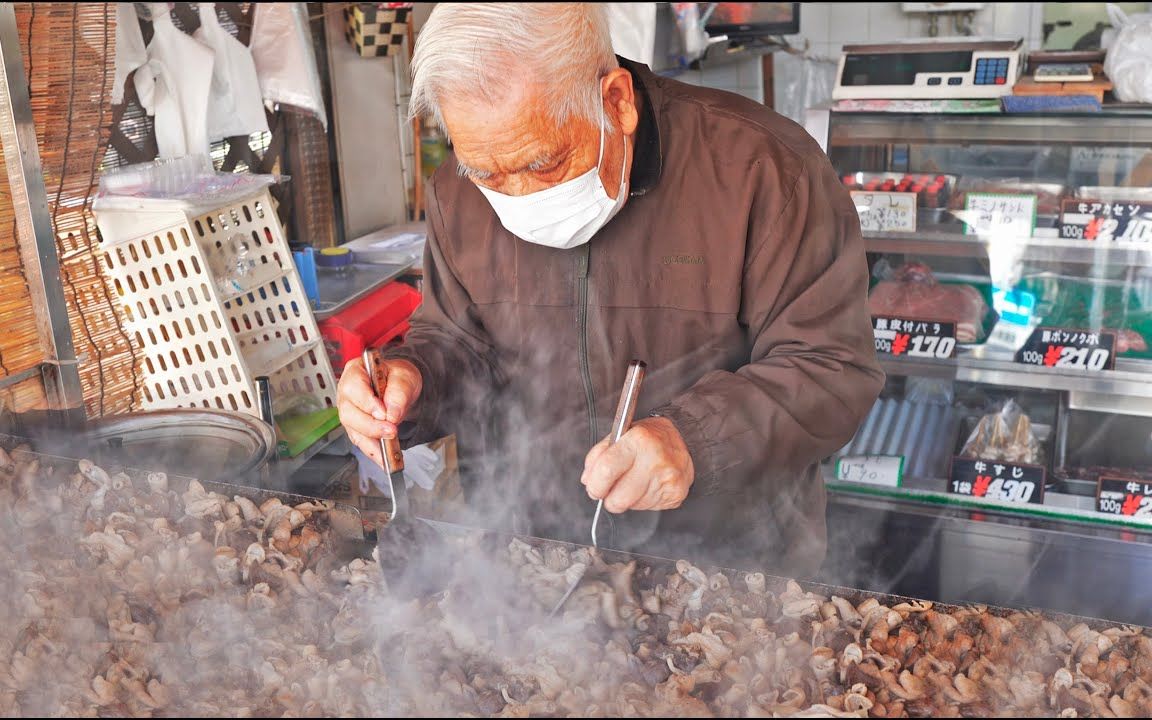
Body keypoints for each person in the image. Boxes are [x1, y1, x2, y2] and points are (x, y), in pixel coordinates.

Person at [337, 3, 883, 577]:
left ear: (616, 101)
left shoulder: (764, 168)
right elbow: (457, 341)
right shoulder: (459, 189)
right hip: (529, 566)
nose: (516, 195)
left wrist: (691, 441)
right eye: (489, 174)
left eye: (543, 163)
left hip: (729, 573)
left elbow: (830, 365)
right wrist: (410, 379)